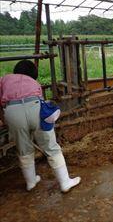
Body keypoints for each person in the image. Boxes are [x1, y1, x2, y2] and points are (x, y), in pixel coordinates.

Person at [0, 60, 80, 192]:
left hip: (12, 111)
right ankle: (65, 182)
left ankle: (31, 182)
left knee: (24, 149)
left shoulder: (4, 80)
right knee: (51, 147)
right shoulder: (33, 82)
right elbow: (40, 101)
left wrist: (4, 120)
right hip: (35, 107)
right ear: (32, 74)